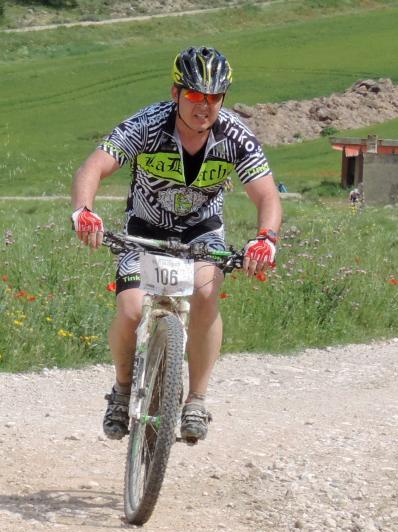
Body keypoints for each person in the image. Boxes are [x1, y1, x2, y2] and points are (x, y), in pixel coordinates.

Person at [70, 46, 283, 443]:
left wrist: (265, 239)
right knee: (132, 311)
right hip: (144, 231)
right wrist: (84, 211)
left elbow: (267, 196)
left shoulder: (235, 134)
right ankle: (120, 390)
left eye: (214, 97)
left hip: (202, 235)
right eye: (195, 96)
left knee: (206, 294)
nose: (205, 106)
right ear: (176, 93)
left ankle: (197, 399)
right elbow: (93, 166)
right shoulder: (148, 124)